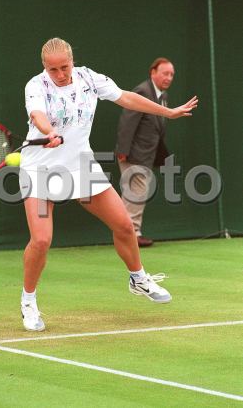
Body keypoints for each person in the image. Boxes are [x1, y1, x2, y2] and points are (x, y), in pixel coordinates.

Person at [19, 38, 197, 331]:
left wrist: (168, 112)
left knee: (124, 225)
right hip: (39, 169)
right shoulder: (36, 86)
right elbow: (37, 114)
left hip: (80, 166)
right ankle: (28, 301)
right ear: (44, 68)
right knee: (41, 240)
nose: (60, 74)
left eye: (64, 67)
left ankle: (138, 278)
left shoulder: (89, 78)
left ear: (72, 61)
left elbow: (126, 97)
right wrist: (48, 130)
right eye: (53, 70)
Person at [116, 58, 175, 247]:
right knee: (136, 192)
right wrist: (123, 151)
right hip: (133, 154)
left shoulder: (163, 96)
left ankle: (129, 232)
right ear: (153, 73)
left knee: (136, 192)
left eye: (171, 74)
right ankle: (131, 233)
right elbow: (128, 122)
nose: (169, 78)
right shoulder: (143, 91)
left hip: (147, 155)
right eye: (165, 73)